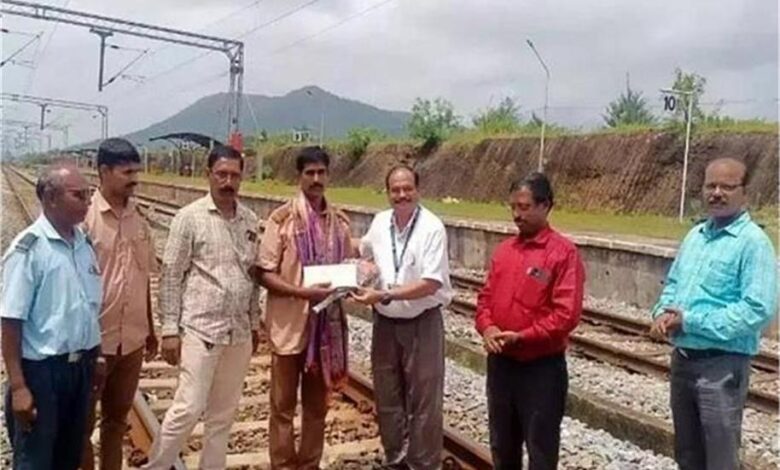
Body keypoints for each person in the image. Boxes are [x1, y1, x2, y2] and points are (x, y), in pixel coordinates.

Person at [650, 157, 777, 470]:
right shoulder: (695, 237)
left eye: (727, 187)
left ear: (745, 193)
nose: (717, 193)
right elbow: (673, 284)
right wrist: (661, 314)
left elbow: (757, 309)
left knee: (719, 459)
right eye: (711, 185)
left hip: (722, 366)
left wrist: (691, 321)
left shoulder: (754, 244)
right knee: (687, 456)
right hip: (683, 361)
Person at [144, 145, 261, 470]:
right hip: (200, 329)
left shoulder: (250, 220)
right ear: (208, 175)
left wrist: (254, 322)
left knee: (223, 416)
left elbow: (252, 277)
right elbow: (171, 274)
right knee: (188, 407)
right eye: (221, 174)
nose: (228, 182)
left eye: (234, 175)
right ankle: (157, 466)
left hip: (238, 333)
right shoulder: (189, 218)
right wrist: (170, 329)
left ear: (242, 177)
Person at [474, 172, 584, 470]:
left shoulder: (563, 253)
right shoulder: (505, 250)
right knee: (502, 446)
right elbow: (485, 298)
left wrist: (523, 336)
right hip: (501, 365)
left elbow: (566, 315)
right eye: (513, 207)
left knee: (541, 448)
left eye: (524, 207)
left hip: (540, 369)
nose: (516, 215)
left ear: (545, 206)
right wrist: (488, 327)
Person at [253, 146, 354, 470]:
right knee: (282, 407)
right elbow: (264, 273)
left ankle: (310, 463)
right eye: (309, 173)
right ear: (299, 177)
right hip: (288, 327)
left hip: (324, 331)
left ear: (328, 175)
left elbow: (347, 268)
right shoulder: (281, 220)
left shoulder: (339, 223)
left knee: (316, 408)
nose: (316, 179)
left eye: (321, 172)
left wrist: (353, 280)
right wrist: (301, 292)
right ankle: (282, 465)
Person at [2, 164, 103, 470]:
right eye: (78, 195)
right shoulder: (29, 250)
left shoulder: (83, 245)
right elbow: (10, 321)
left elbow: (88, 308)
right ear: (50, 198)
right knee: (36, 459)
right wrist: (19, 387)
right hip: (42, 373)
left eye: (89, 194)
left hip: (80, 369)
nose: (87, 202)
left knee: (68, 457)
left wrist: (96, 356)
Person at [352, 164, 453, 470]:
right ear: (387, 193)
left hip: (422, 322)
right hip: (385, 322)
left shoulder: (432, 227)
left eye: (407, 188)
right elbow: (364, 250)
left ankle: (423, 464)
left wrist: (385, 294)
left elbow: (431, 283)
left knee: (424, 401)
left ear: (417, 190)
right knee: (388, 396)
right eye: (395, 190)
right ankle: (395, 459)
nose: (401, 195)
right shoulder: (380, 222)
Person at [80, 138, 159, 470]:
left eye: (135, 172)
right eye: (127, 172)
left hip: (132, 343)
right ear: (104, 171)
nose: (134, 179)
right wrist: (88, 342)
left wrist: (151, 328)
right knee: (81, 427)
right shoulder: (84, 218)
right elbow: (74, 288)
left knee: (116, 423)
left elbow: (142, 278)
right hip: (94, 343)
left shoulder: (138, 217)